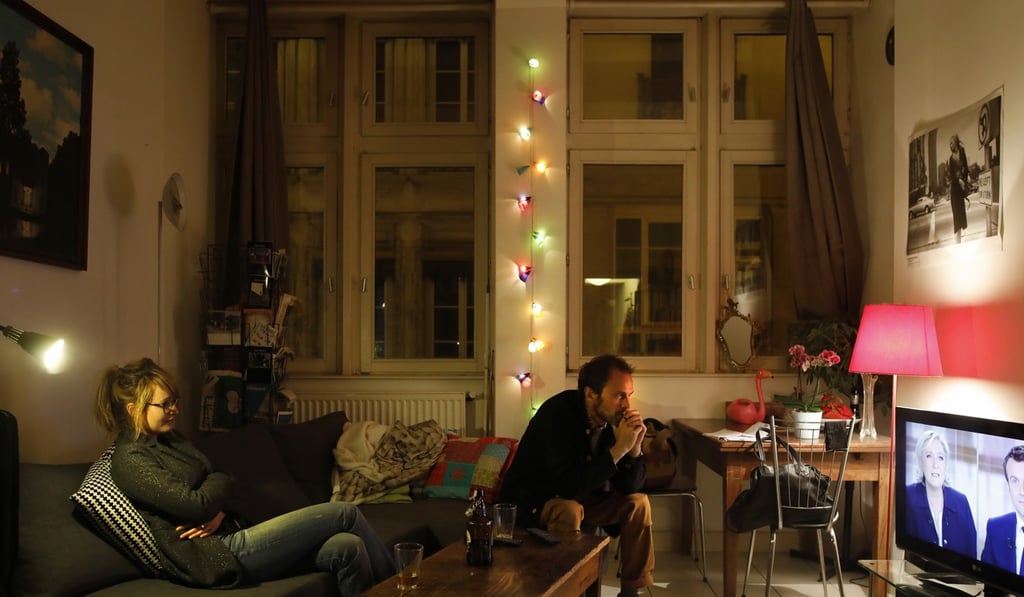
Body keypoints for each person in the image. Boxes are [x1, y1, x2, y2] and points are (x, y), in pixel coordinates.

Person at [93, 358, 394, 594]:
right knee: (345, 513)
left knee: (348, 548)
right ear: (133, 409)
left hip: (228, 530)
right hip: (213, 554)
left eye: (175, 401)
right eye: (164, 404)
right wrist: (212, 498)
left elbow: (221, 475)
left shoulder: (171, 440)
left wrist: (218, 509)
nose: (174, 409)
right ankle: (404, 588)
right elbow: (196, 504)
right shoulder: (130, 460)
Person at [499, 354, 653, 597]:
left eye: (629, 396)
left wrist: (634, 451)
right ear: (591, 394)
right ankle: (568, 590)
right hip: (538, 500)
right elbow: (568, 486)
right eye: (619, 395)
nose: (626, 405)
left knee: (639, 503)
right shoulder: (557, 414)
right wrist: (618, 450)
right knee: (569, 509)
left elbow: (629, 487)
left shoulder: (613, 420)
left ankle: (630, 591)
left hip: (584, 497)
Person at [904, 430, 977, 558]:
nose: (935, 465)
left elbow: (971, 557)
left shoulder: (961, 502)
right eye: (929, 456)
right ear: (921, 461)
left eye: (940, 457)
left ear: (946, 464)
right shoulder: (908, 496)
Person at [981, 445, 1024, 574]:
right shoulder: (995, 528)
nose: (1022, 491)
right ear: (1008, 487)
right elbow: (986, 581)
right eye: (1015, 481)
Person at [947, 133, 971, 244]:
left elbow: (966, 167)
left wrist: (965, 178)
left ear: (956, 142)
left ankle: (959, 240)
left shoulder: (962, 152)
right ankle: (957, 242)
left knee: (961, 215)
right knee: (956, 216)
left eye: (951, 142)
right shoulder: (951, 159)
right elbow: (951, 176)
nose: (950, 145)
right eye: (949, 144)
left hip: (961, 189)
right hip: (955, 189)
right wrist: (959, 180)